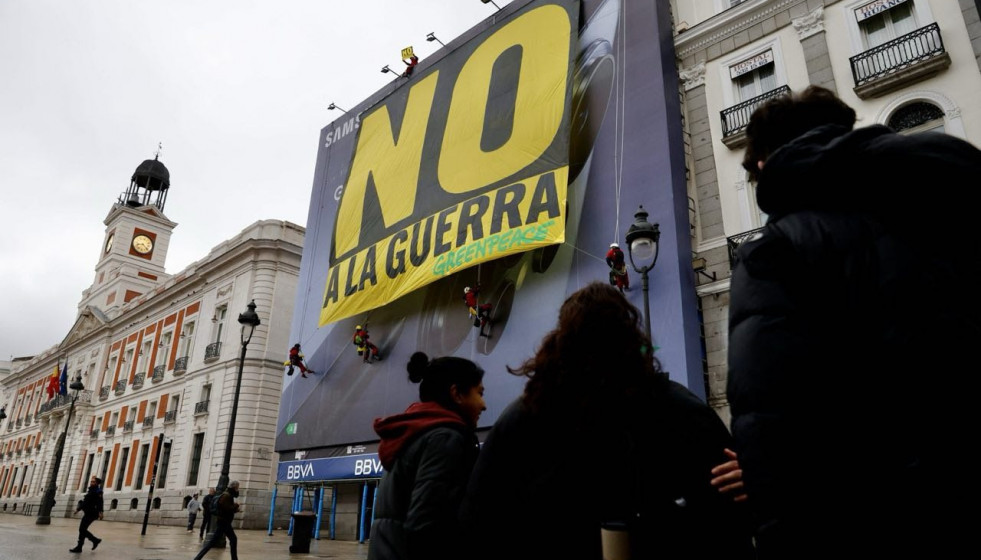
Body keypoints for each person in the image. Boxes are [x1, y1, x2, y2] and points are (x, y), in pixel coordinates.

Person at [728, 85, 981, 559]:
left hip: (875, 518)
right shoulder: (955, 186)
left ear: (765, 162)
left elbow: (778, 416)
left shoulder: (780, 248)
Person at [460, 282, 755, 560]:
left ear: (561, 343)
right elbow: (732, 514)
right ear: (631, 337)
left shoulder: (526, 418)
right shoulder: (677, 409)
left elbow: (479, 522)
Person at [367, 351, 486, 560]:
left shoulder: (415, 434)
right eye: (479, 393)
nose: (483, 405)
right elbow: (428, 524)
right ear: (456, 393)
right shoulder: (445, 438)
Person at [193, 481, 241, 560]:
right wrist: (236, 505)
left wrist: (234, 509)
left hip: (224, 522)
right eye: (237, 488)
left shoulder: (228, 495)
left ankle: (197, 558)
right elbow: (225, 508)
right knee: (232, 540)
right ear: (234, 487)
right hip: (224, 523)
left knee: (213, 542)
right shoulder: (226, 496)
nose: (238, 490)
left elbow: (227, 508)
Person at [70, 476, 104, 553]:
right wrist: (78, 509)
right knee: (82, 529)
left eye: (93, 482)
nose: (91, 482)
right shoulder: (91, 490)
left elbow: (100, 502)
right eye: (91, 481)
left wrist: (101, 512)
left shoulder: (98, 491)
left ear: (97, 483)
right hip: (88, 512)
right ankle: (91, 542)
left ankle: (93, 541)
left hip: (92, 513)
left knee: (82, 529)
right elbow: (85, 502)